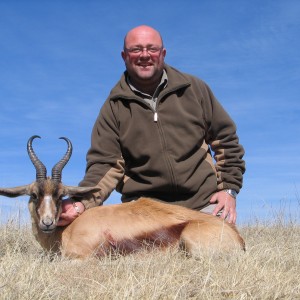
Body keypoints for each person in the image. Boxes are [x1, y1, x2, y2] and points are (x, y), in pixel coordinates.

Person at [58, 25, 245, 226]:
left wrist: (228, 190)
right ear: (124, 56)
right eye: (136, 49)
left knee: (218, 248)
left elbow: (226, 140)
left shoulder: (194, 89)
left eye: (152, 49)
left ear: (163, 53)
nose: (145, 55)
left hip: (202, 202)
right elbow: (105, 165)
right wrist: (80, 203)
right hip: (144, 211)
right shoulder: (113, 107)